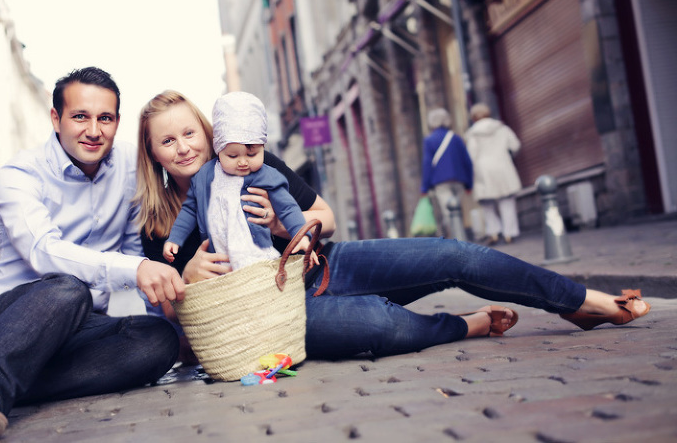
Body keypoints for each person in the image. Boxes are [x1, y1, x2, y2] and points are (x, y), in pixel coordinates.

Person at [134, 89, 651, 363]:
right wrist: (188, 278)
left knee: (451, 253)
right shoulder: (157, 227)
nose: (183, 148)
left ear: (210, 133)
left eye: (189, 133)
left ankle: (579, 302)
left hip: (329, 267)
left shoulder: (253, 161)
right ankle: (465, 325)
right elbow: (174, 319)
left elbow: (326, 218)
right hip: (285, 316)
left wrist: (280, 224)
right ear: (153, 153)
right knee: (379, 325)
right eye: (167, 141)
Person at [0, 67, 184, 443]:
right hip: (13, 320)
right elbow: (43, 251)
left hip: (84, 328)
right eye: (80, 116)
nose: (93, 130)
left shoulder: (130, 167)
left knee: (159, 340)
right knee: (69, 288)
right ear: (56, 118)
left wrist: (169, 315)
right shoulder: (20, 174)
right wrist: (135, 268)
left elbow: (134, 249)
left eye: (105, 118)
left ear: (117, 122)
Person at [164, 91, 310, 270]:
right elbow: (189, 210)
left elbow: (288, 208)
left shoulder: (267, 175)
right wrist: (175, 238)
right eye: (232, 156)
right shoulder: (204, 176)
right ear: (218, 150)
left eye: (252, 154)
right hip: (221, 261)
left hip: (257, 256)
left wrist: (301, 235)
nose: (242, 162)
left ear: (262, 148)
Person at [465, 102, 522, 245]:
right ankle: (509, 233)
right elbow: (515, 145)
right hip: (503, 166)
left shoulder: (473, 134)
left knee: (487, 204)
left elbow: (471, 155)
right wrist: (507, 155)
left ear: (473, 117)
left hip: (483, 170)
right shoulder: (502, 128)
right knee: (507, 201)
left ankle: (494, 232)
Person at [420, 107, 473, 238]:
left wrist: (425, 187)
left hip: (441, 181)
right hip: (459, 179)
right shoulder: (456, 138)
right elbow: (467, 161)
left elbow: (427, 164)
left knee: (448, 211)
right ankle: (461, 237)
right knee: (458, 208)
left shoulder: (429, 140)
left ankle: (456, 239)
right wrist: (469, 184)